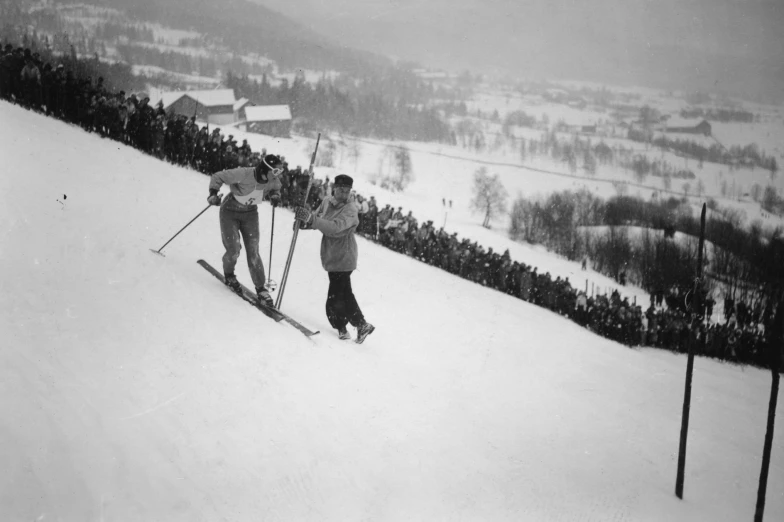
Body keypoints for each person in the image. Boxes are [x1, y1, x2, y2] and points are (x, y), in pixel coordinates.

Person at [294, 174, 375, 344]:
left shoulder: (351, 209)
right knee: (343, 293)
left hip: (344, 256)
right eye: (341, 190)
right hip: (331, 255)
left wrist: (311, 220)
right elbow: (317, 219)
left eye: (347, 191)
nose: (344, 194)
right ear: (334, 189)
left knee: (335, 296)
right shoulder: (326, 202)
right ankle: (357, 325)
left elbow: (334, 228)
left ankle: (347, 326)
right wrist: (304, 221)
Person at [207, 154, 283, 307]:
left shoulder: (272, 179)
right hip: (230, 210)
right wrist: (213, 194)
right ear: (264, 169)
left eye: (278, 172)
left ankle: (261, 289)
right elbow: (218, 176)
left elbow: (276, 188)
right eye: (274, 171)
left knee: (253, 251)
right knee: (234, 248)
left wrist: (275, 195)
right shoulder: (244, 173)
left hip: (250, 214)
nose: (277, 175)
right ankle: (229, 275)